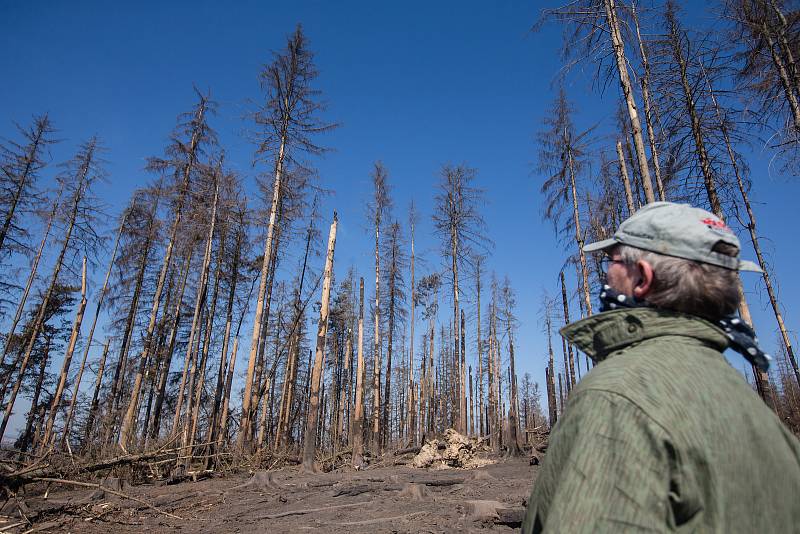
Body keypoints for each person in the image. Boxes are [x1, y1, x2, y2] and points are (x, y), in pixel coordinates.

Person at [522, 202, 800, 533]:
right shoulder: (755, 411)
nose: (604, 275)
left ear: (641, 277)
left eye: (610, 261)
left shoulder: (617, 397)